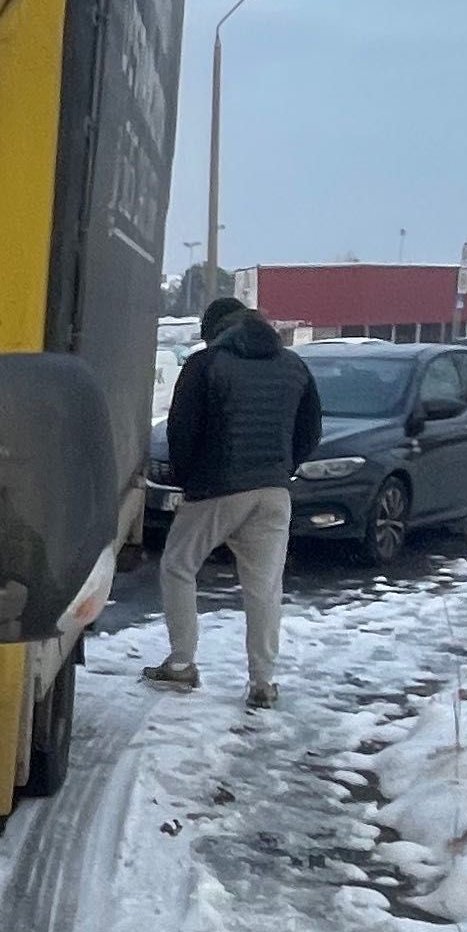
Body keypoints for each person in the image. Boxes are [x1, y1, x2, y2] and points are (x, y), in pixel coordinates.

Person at [151, 293, 319, 708]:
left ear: (216, 333)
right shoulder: (294, 365)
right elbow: (311, 430)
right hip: (274, 491)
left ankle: (181, 664)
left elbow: (181, 432)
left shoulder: (206, 365)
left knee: (178, 567)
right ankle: (262, 683)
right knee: (264, 589)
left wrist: (189, 481)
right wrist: (282, 468)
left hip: (216, 487)